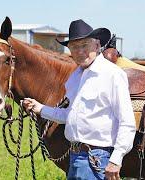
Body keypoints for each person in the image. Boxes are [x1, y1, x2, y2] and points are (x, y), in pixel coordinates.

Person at [23, 19, 136, 180]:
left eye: (85, 45)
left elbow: (127, 122)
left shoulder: (112, 74)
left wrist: (116, 159)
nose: (80, 51)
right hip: (76, 156)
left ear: (97, 46)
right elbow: (69, 115)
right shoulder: (76, 77)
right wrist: (40, 108)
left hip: (98, 158)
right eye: (74, 47)